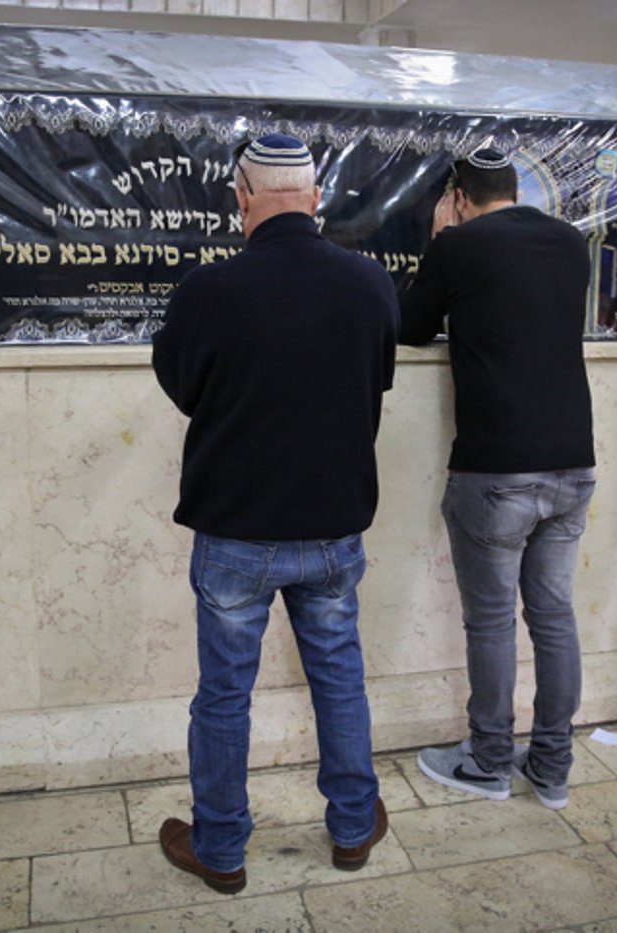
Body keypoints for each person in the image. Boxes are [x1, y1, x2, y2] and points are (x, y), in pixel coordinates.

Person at [151, 132, 398, 894]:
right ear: (316, 198)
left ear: (241, 199)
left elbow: (182, 385)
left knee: (224, 694)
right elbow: (374, 380)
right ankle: (353, 828)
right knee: (340, 678)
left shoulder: (208, 290)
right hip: (333, 527)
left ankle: (221, 848)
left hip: (237, 531)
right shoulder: (371, 284)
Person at [400, 147, 595, 809]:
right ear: (515, 189)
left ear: (458, 197)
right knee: (554, 618)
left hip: (497, 468)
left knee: (491, 623)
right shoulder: (570, 242)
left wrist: (438, 242)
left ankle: (487, 762)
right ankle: (552, 767)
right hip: (574, 463)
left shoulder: (458, 246)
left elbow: (409, 326)